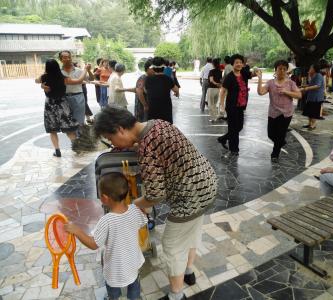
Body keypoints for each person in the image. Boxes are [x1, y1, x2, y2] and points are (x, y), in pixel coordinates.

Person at [93, 107, 218, 300]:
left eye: (110, 139)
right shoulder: (158, 124)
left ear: (120, 129)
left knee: (172, 246)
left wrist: (132, 205)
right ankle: (188, 272)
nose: (113, 144)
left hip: (189, 198)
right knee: (191, 233)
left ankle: (176, 295)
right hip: (207, 184)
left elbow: (155, 195)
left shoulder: (146, 147)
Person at [64, 172, 147, 300]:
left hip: (115, 269)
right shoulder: (135, 210)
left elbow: (93, 244)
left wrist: (77, 231)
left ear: (104, 198)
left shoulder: (106, 221)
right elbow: (143, 220)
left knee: (113, 291)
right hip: (133, 262)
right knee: (134, 284)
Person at [35, 59, 89, 157]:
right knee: (69, 128)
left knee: (52, 129)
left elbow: (36, 80)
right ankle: (77, 148)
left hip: (50, 104)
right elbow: (79, 81)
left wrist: (42, 85)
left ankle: (57, 150)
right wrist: (85, 69)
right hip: (62, 104)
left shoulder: (44, 78)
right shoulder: (63, 78)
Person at [256, 60, 302, 161]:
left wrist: (286, 92)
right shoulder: (270, 83)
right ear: (275, 70)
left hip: (286, 113)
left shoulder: (291, 83)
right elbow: (260, 92)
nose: (282, 71)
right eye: (279, 69)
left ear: (287, 71)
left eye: (284, 69)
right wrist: (260, 79)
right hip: (273, 112)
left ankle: (275, 154)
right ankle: (281, 142)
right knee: (271, 134)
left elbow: (299, 95)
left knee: (281, 134)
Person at [218, 54, 253, 156]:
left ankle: (223, 138)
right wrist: (221, 104)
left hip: (241, 106)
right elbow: (223, 90)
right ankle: (234, 149)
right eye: (236, 62)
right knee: (233, 128)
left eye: (240, 62)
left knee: (239, 127)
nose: (239, 64)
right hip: (232, 106)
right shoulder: (230, 77)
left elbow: (251, 75)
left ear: (243, 64)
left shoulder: (243, 73)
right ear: (233, 64)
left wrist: (257, 73)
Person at [145, 57, 179, 124]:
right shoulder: (167, 79)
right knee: (166, 127)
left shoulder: (148, 79)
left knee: (153, 128)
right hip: (165, 109)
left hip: (153, 108)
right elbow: (176, 89)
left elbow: (146, 91)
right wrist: (177, 93)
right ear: (164, 68)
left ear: (153, 68)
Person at [301, 63, 325, 130]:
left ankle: (313, 125)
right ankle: (309, 124)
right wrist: (304, 86)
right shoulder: (313, 75)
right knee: (309, 111)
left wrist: (306, 88)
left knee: (314, 112)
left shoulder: (318, 75)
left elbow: (317, 86)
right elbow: (311, 85)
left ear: (314, 69)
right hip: (311, 97)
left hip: (316, 97)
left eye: (311, 68)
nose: (310, 69)